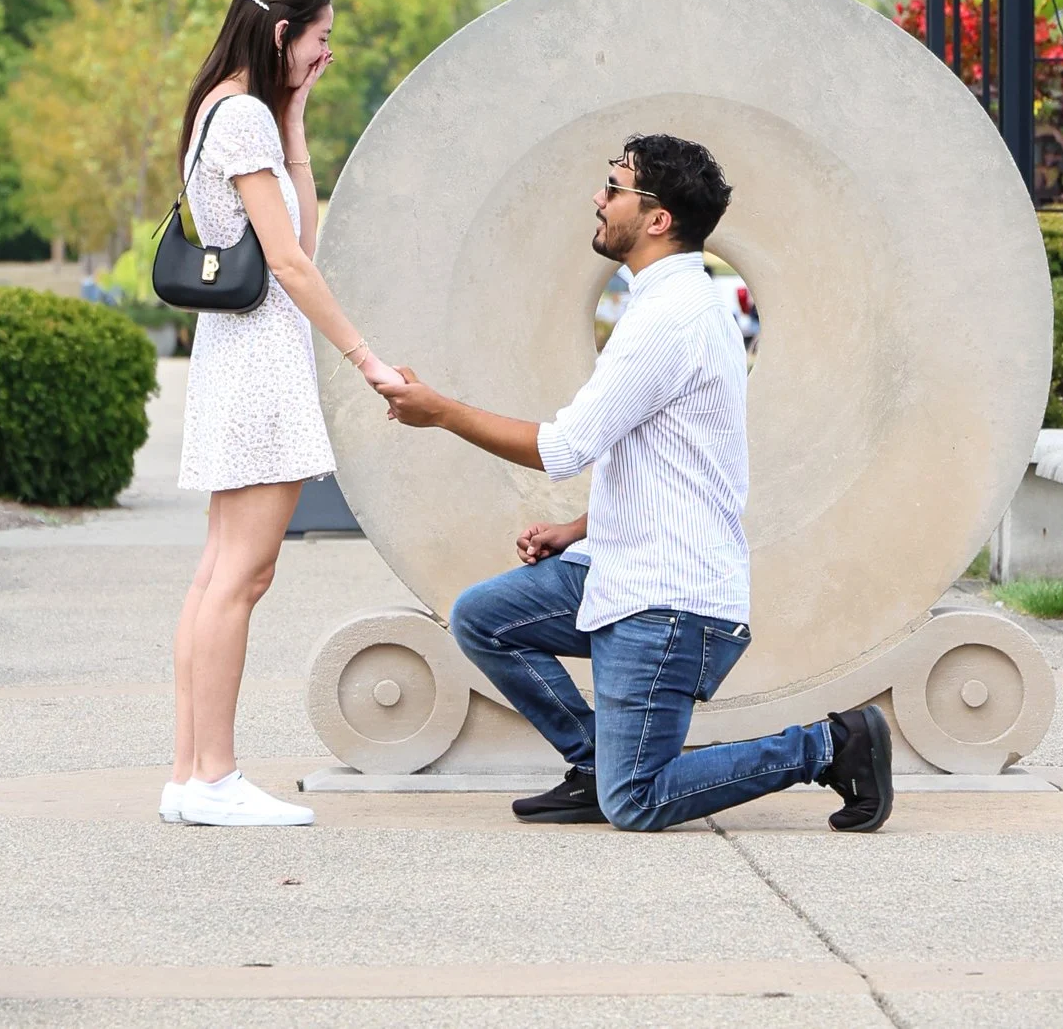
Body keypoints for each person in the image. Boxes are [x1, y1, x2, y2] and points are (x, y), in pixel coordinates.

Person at [375, 134, 894, 833]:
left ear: (657, 219)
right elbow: (671, 459)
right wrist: (579, 528)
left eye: (615, 186)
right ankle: (596, 762)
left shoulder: (669, 317)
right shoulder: (667, 302)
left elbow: (564, 446)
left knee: (639, 800)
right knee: (483, 617)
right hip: (622, 565)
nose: (599, 196)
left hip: (666, 597)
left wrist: (441, 411)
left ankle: (830, 745)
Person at [166, 0, 399, 828]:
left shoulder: (226, 109)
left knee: (218, 574)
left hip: (234, 353)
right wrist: (363, 355)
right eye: (320, 37)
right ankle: (216, 776)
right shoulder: (243, 115)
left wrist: (295, 116)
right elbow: (295, 258)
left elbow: (299, 227)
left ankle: (191, 774)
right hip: (262, 357)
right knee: (241, 575)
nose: (327, 52)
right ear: (281, 33)